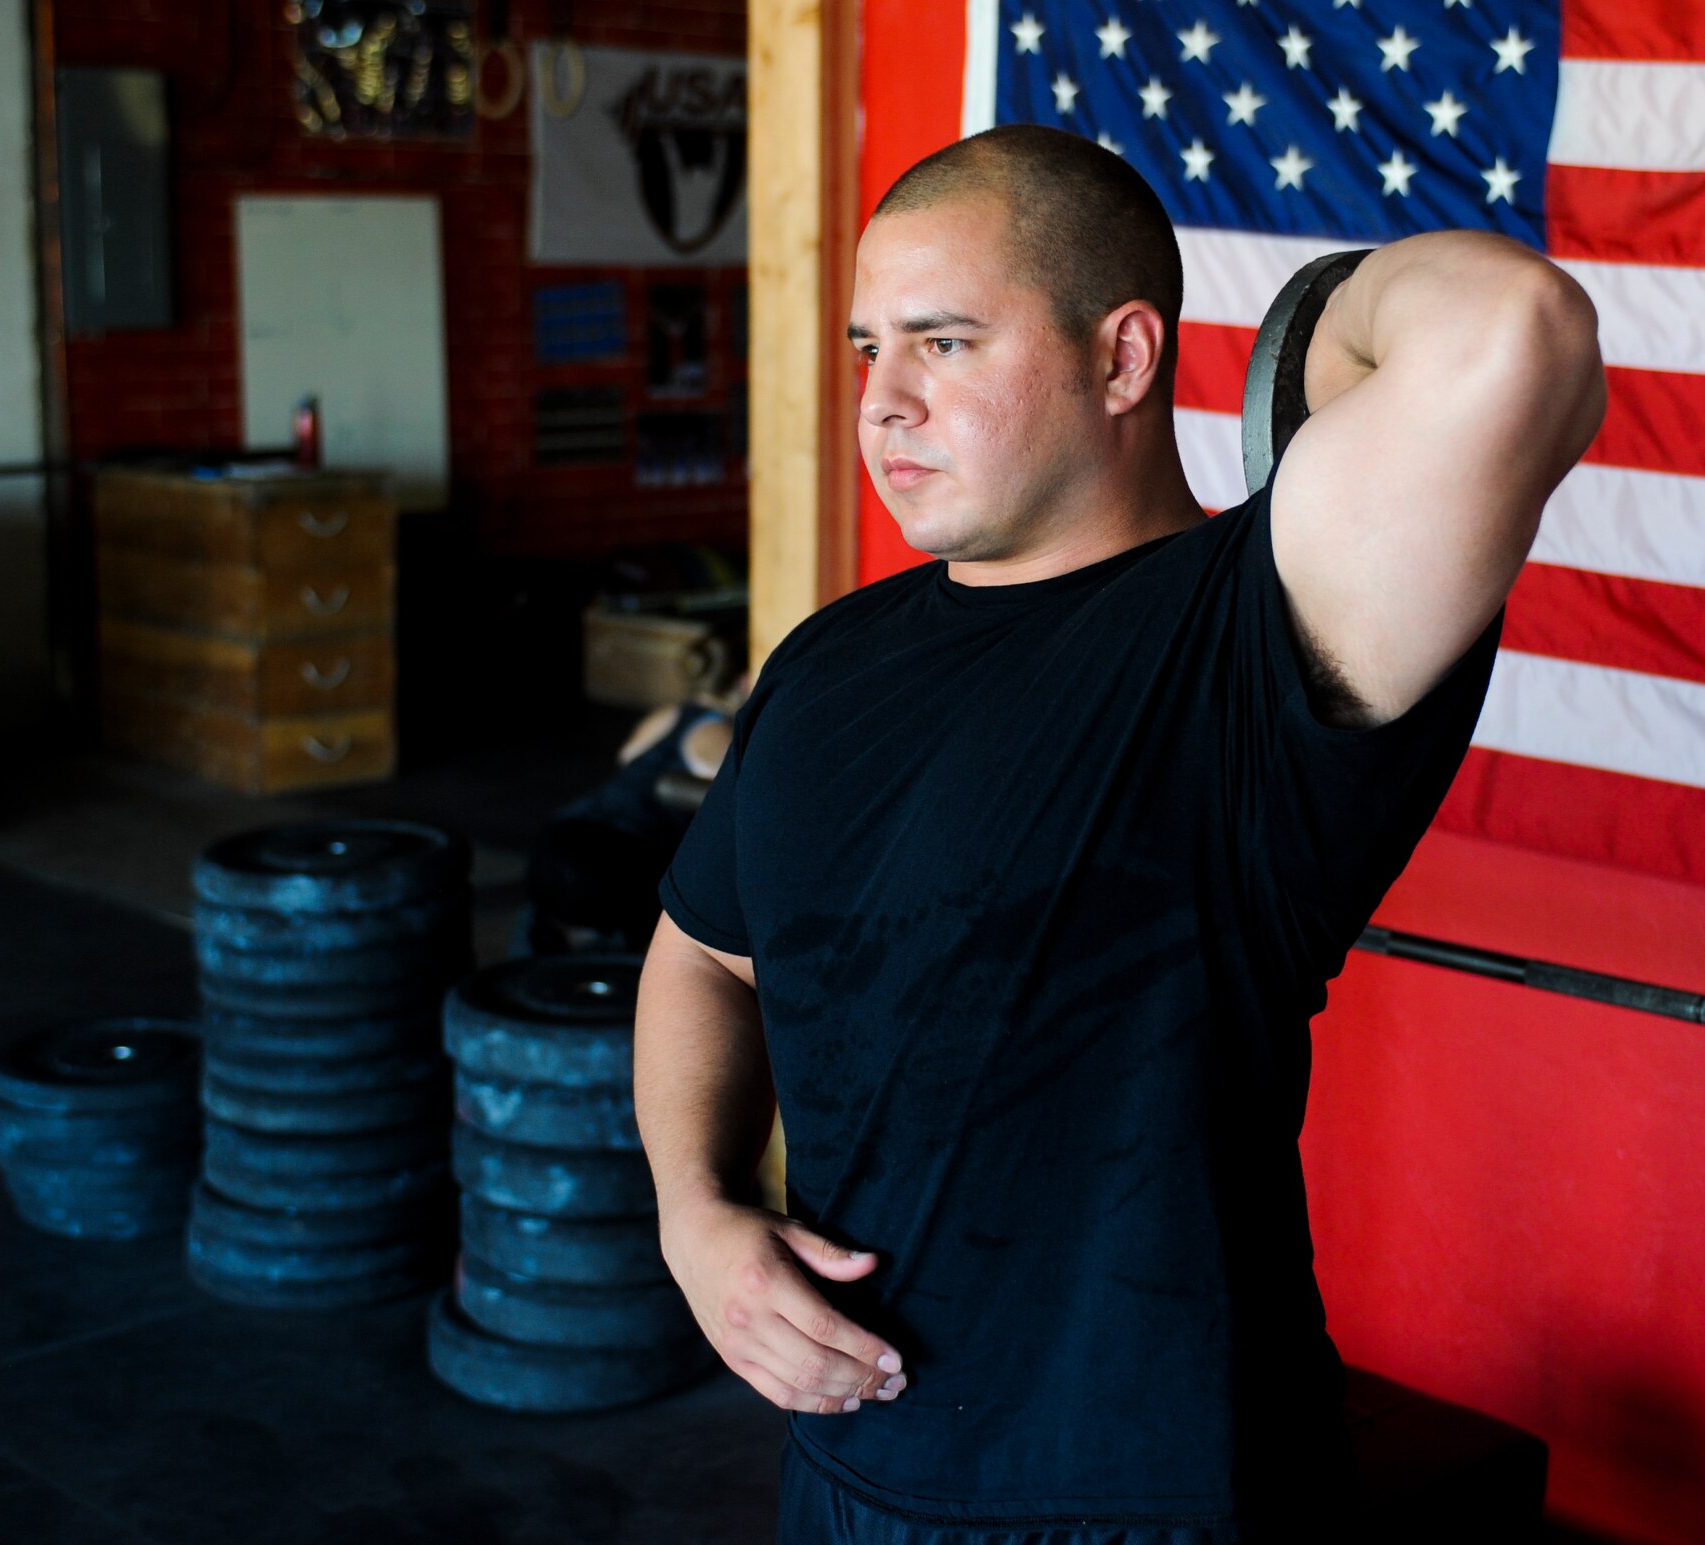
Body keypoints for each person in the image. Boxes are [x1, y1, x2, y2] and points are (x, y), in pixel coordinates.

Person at [634, 123, 1607, 1544]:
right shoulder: (826, 660)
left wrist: (1313, 333)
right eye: (866, 348)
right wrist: (696, 1211)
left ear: (1123, 357)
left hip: (1159, 1495)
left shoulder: (1252, 635)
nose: (883, 401)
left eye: (946, 342)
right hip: (847, 1475)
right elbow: (704, 957)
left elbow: (1515, 327)